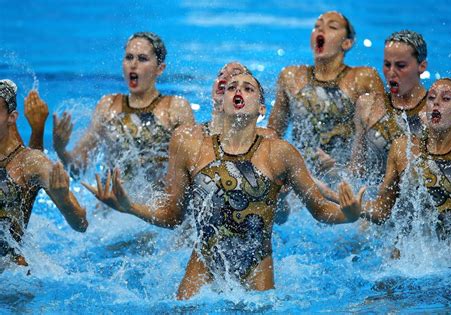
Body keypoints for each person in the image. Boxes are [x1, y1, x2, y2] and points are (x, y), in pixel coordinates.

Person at [84, 71, 365, 299]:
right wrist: (129, 207)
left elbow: (318, 209)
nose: (237, 90)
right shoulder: (192, 149)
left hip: (257, 269)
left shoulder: (280, 153)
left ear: (262, 109)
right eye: (231, 87)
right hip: (203, 265)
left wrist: (349, 215)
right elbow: (172, 216)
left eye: (248, 87)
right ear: (222, 101)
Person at [52, 32, 194, 195]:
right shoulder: (108, 107)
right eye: (129, 57)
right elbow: (78, 171)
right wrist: (61, 149)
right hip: (111, 210)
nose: (133, 64)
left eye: (142, 58)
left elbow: (191, 170)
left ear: (160, 68)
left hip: (154, 211)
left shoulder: (174, 108)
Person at [356, 78, 451, 261]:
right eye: (431, 98)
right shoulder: (402, 149)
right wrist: (354, 207)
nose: (436, 103)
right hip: (400, 265)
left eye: (446, 99)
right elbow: (382, 211)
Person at [268, 11, 385, 177]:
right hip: (302, 175)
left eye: (332, 27)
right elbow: (274, 133)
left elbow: (381, 139)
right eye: (317, 26)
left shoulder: (363, 79)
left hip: (347, 176)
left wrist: (342, 169)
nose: (320, 30)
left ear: (347, 43)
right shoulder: (291, 77)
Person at [0, 79, 88, 268]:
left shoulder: (33, 163)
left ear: (12, 117)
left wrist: (63, 199)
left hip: (12, 280)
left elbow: (81, 224)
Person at [351, 30, 429, 180]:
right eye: (387, 64)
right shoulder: (367, 105)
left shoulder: (438, 111)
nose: (391, 72)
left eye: (400, 66)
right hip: (374, 197)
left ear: (422, 66)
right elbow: (356, 170)